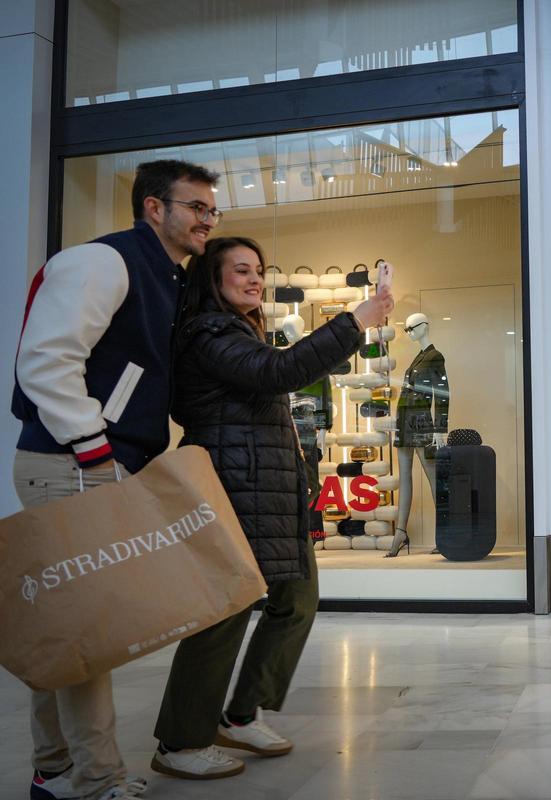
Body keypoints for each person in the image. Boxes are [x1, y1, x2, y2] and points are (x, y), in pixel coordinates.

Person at [12, 159, 219, 800]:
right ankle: (97, 779)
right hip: (71, 463)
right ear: (153, 208)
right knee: (88, 632)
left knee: (66, 625)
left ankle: (54, 770)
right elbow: (45, 360)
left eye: (213, 210)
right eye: (195, 207)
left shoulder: (167, 277)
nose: (207, 219)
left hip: (89, 462)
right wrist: (94, 451)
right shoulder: (103, 262)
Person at [150, 237, 393, 780]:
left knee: (297, 600)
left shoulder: (241, 330)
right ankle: (180, 740)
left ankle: (238, 716)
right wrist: (356, 319)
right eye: (240, 270)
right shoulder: (208, 333)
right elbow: (277, 373)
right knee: (225, 612)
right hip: (232, 489)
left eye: (258, 270)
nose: (254, 279)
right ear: (212, 280)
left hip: (269, 491)